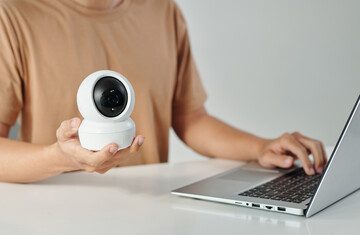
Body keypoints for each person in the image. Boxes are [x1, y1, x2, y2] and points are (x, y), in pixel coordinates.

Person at [0, 0, 327, 183]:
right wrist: (58, 158)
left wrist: (260, 148)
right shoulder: (14, 15)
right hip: (52, 212)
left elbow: (189, 117)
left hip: (151, 209)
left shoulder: (162, 10)